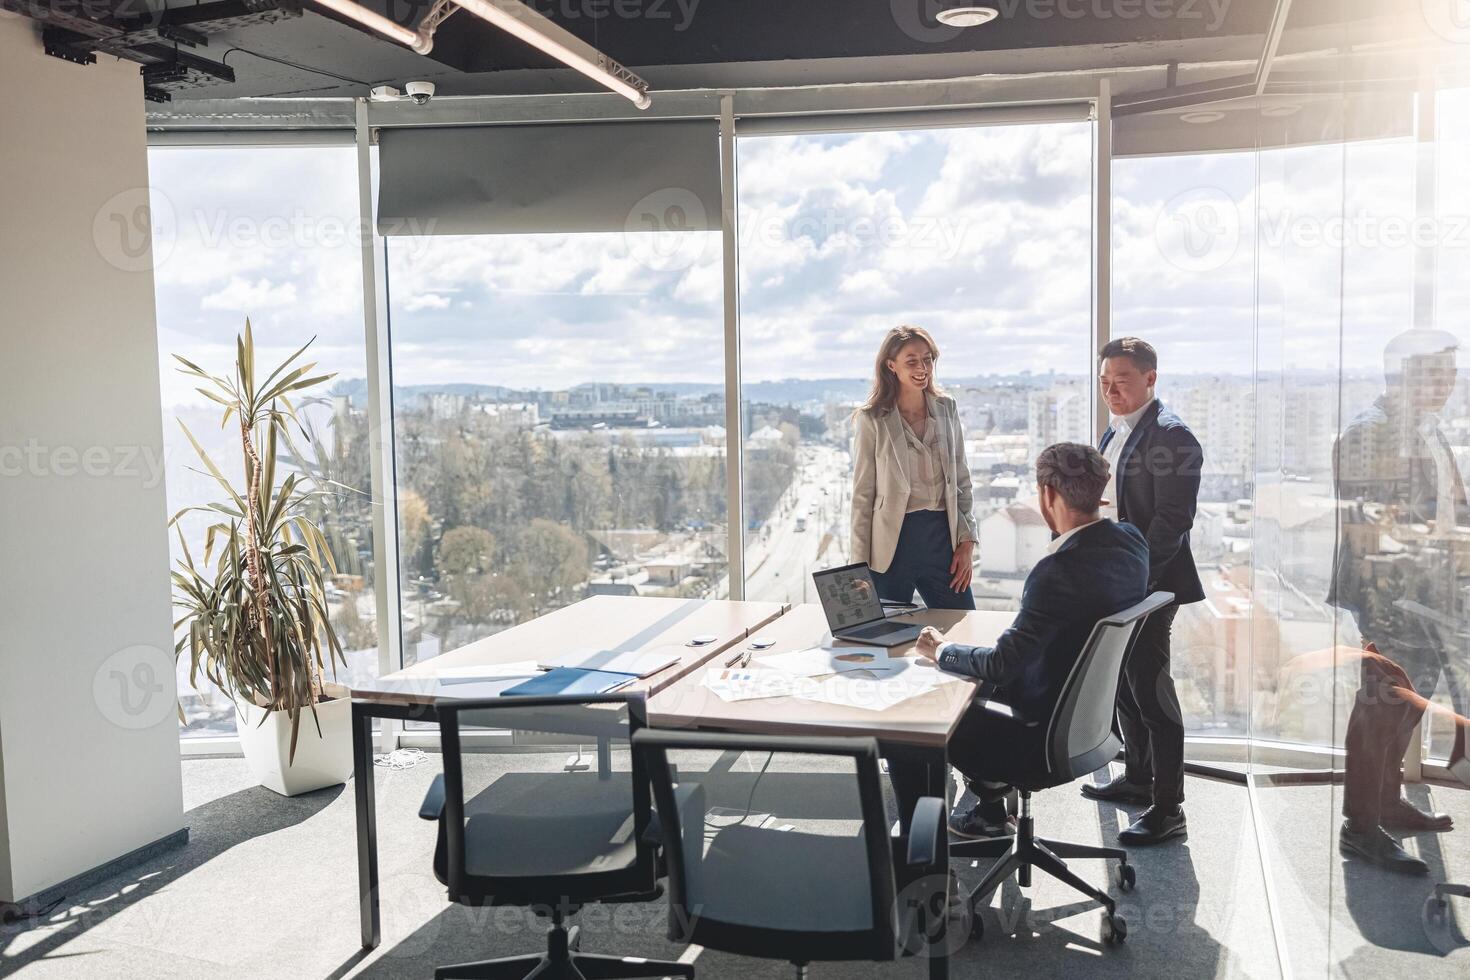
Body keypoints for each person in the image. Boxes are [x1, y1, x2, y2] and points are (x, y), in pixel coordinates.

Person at [889, 443, 1148, 838]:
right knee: (978, 685)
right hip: (1086, 725)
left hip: (1035, 738)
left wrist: (942, 650)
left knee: (910, 726)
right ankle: (989, 811)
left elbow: (1000, 665)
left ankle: (922, 857)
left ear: (1047, 495)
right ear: (1101, 491)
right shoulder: (1132, 543)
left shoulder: (1055, 572)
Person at [1328, 327, 1463, 873]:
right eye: (1438, 373)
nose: (1450, 384)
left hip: (1430, 594)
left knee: (1406, 711)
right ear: (1403, 376)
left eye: (1453, 374)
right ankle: (1359, 827)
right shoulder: (1371, 434)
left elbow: (1448, 503)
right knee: (1378, 714)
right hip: (1391, 599)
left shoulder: (1426, 428)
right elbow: (1372, 532)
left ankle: (1386, 802)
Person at [1080, 337, 1203, 846]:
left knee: (1152, 690)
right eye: (1105, 382)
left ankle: (1169, 808)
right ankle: (1137, 779)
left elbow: (1174, 522)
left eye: (1122, 381)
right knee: (1125, 685)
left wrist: (1136, 578)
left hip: (1149, 586)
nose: (1111, 390)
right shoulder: (1120, 428)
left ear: (1151, 378)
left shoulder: (1172, 437)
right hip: (1118, 581)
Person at [849, 325, 977, 610]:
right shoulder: (872, 419)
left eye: (928, 359)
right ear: (891, 365)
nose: (923, 367)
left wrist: (967, 542)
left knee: (963, 627)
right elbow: (862, 497)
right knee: (884, 640)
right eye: (912, 361)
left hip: (942, 542)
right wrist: (857, 568)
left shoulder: (947, 408)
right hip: (890, 550)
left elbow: (962, 481)